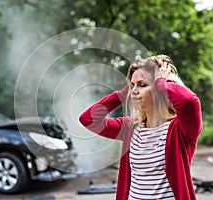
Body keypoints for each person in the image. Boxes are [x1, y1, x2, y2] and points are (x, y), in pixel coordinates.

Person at [79, 54, 202, 200]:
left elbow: (189, 101)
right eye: (132, 85)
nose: (135, 91)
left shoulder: (180, 130)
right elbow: (88, 119)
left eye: (142, 85)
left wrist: (162, 81)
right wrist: (123, 94)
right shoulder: (130, 128)